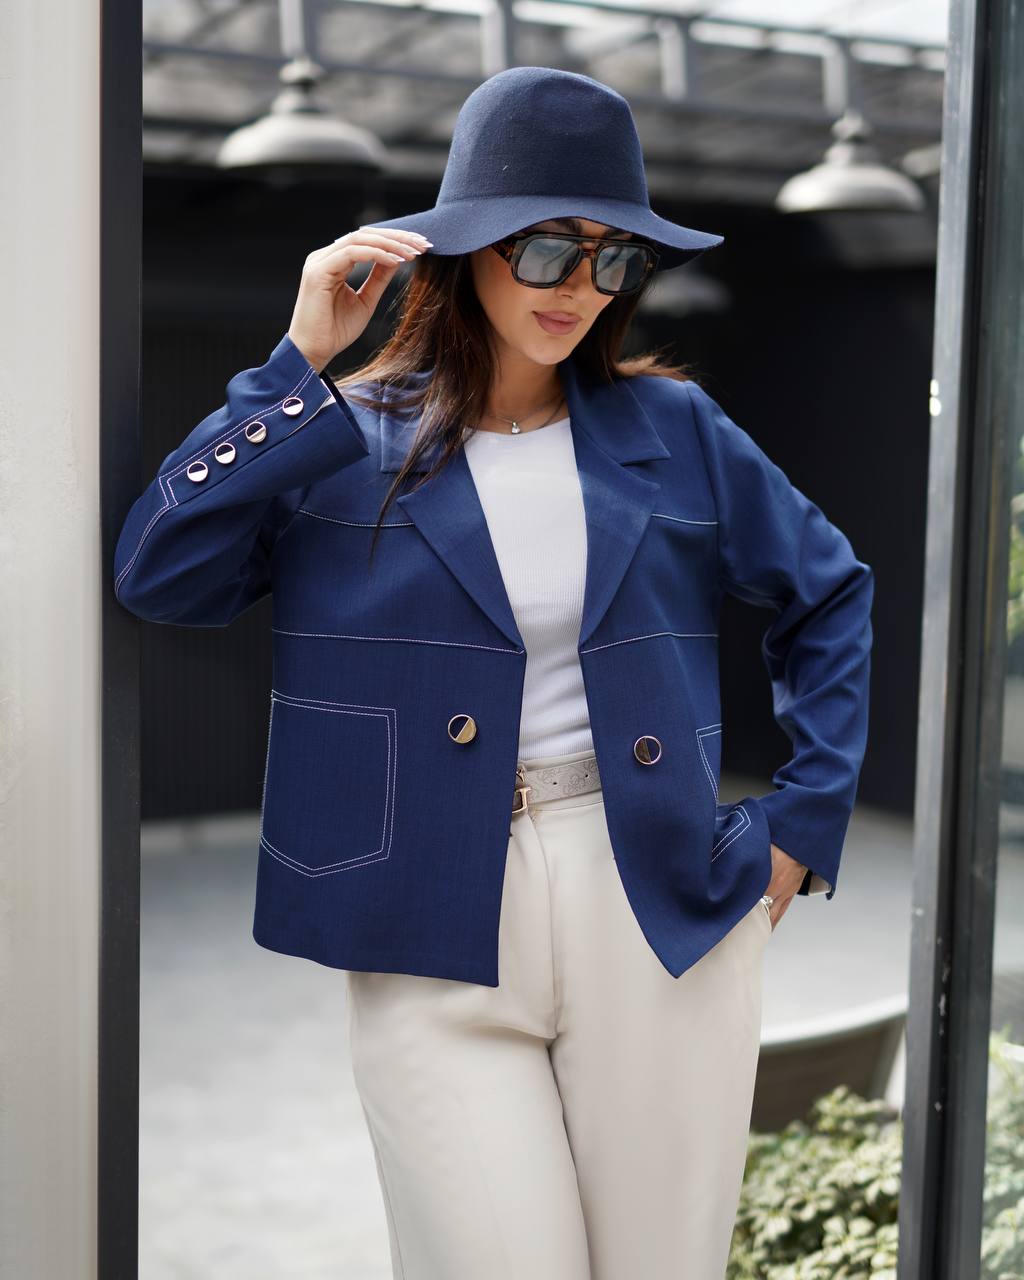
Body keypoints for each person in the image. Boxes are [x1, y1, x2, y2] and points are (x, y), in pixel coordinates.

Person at [114, 65, 873, 1280]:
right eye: (549, 250)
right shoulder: (338, 433)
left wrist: (802, 820)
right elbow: (159, 572)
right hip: (423, 910)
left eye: (613, 259)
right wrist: (293, 365)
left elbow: (831, 589)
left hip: (653, 895)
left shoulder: (672, 429)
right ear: (470, 247)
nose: (581, 287)